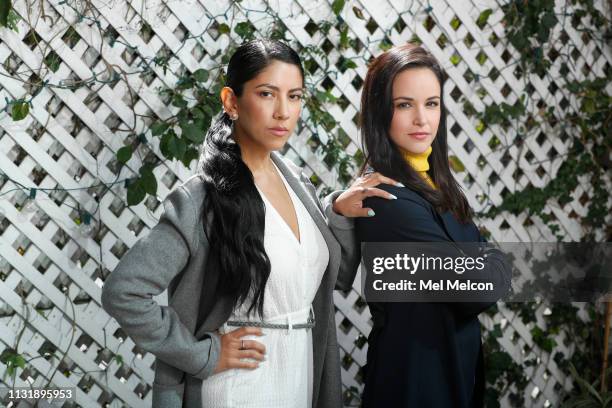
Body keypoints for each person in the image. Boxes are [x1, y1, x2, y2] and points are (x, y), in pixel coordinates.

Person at [100, 39, 399, 408]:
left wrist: (336, 211)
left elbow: (326, 278)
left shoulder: (297, 182)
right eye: (267, 94)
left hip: (302, 374)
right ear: (231, 101)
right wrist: (204, 355)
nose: (283, 112)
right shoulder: (202, 200)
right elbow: (123, 291)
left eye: (294, 96)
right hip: (240, 385)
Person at [353, 43, 512, 407]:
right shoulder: (387, 199)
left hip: (450, 375)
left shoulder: (437, 186)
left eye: (431, 103)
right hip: (415, 384)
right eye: (404, 104)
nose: (422, 119)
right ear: (381, 112)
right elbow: (479, 288)